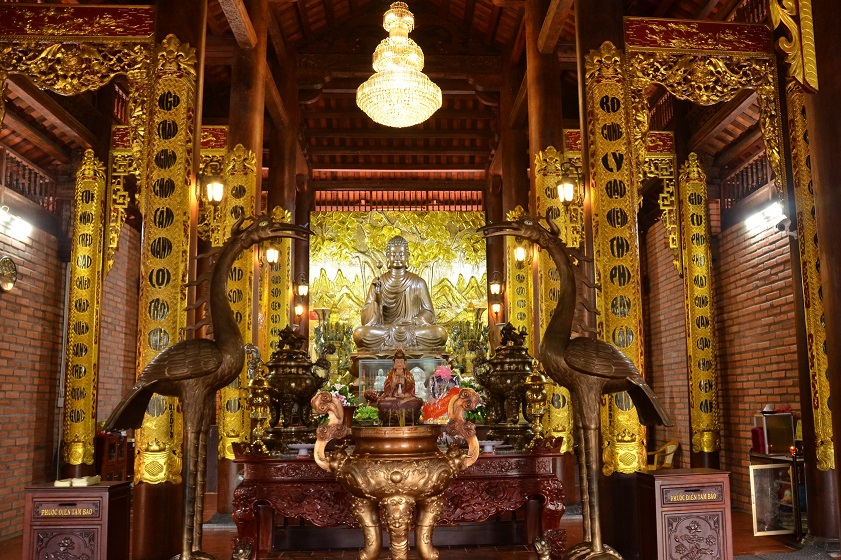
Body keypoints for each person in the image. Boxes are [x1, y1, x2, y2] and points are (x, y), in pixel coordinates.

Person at [353, 235, 448, 351]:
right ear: (387, 257)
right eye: (393, 255)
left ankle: (395, 346)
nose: (397, 258)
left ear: (407, 257)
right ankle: (405, 347)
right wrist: (377, 299)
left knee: (440, 333)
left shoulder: (418, 282)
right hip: (386, 331)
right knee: (359, 334)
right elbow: (366, 320)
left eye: (401, 254)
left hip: (412, 330)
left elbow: (429, 314)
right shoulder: (378, 282)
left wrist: (412, 321)